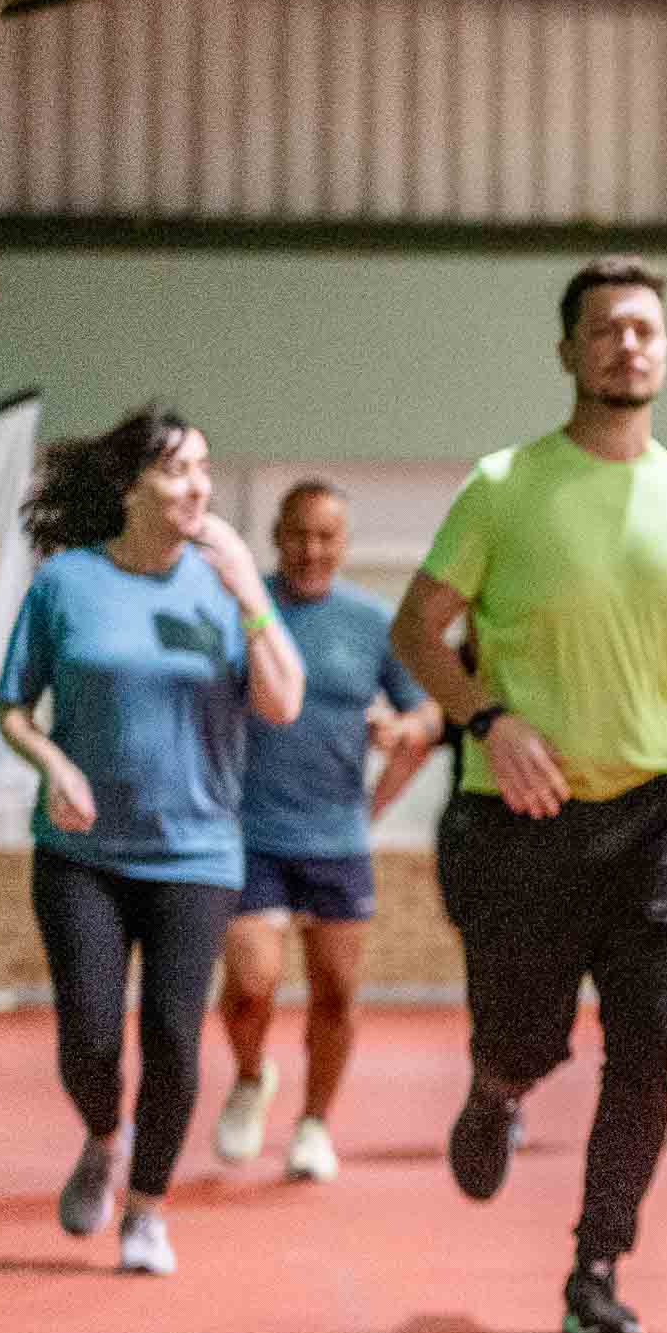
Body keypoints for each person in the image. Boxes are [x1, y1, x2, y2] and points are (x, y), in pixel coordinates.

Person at [393, 255, 667, 1333]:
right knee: (531, 1034)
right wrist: (485, 718)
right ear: (569, 349)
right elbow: (417, 627)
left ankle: (596, 1262)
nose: (628, 345)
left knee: (650, 1043)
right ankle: (498, 1084)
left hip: (658, 816)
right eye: (605, 328)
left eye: (646, 328)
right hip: (525, 818)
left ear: (665, 348)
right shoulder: (504, 484)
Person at [0, 407, 306, 1274]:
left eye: (204, 468)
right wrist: (54, 763)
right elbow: (11, 709)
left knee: (174, 1039)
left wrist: (248, 589)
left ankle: (145, 1210)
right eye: (175, 470)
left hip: (197, 853)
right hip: (82, 857)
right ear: (129, 487)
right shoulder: (67, 584)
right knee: (90, 1041)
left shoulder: (222, 588)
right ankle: (103, 1136)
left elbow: (281, 702)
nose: (197, 486)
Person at [212, 480, 442, 1184]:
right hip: (248, 830)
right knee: (253, 982)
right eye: (298, 535)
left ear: (344, 543)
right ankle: (252, 1076)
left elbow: (429, 715)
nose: (311, 550)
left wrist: (404, 730)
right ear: (276, 538)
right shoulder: (242, 616)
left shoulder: (373, 623)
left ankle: (313, 1124)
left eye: (326, 536)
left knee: (336, 991)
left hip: (336, 836)